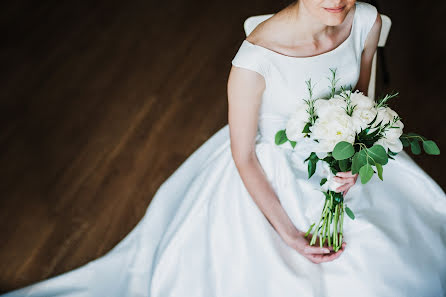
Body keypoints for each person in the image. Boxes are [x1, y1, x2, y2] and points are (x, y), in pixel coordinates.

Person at [2, 1, 446, 297]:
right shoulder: (254, 59)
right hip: (273, 168)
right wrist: (288, 233)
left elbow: (362, 96)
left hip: (342, 161)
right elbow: (244, 155)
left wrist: (355, 153)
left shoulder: (366, 19)